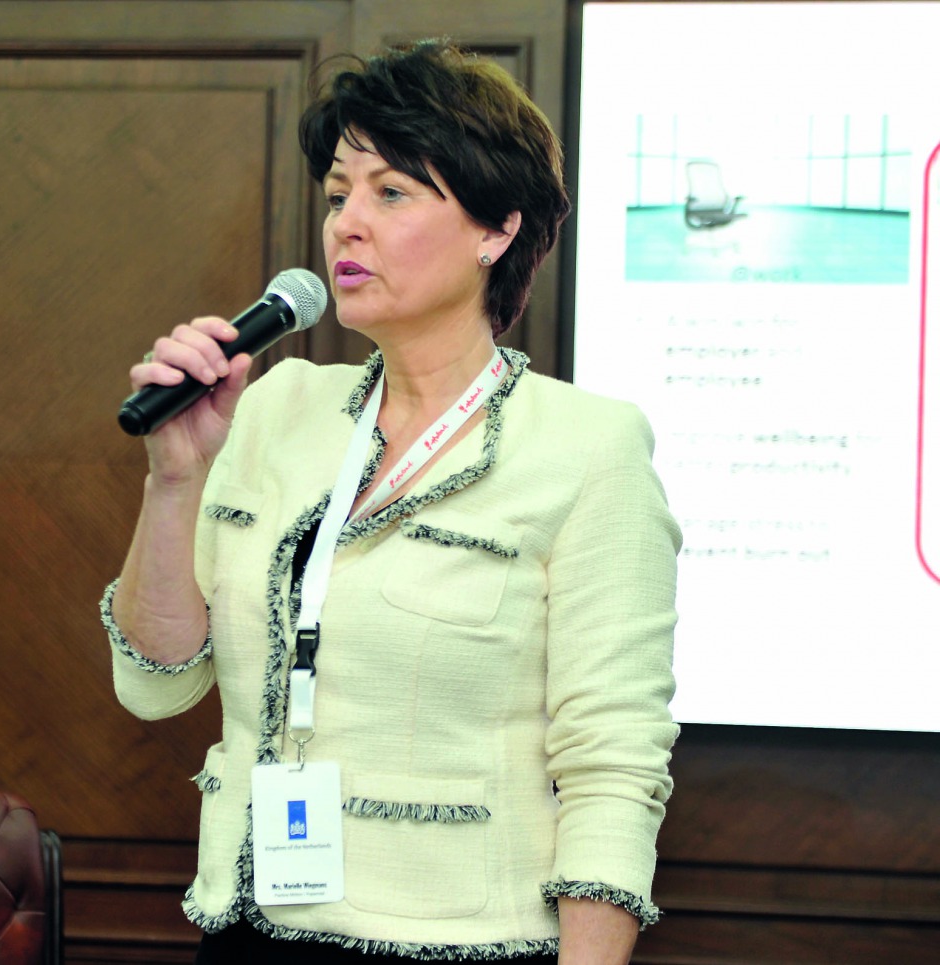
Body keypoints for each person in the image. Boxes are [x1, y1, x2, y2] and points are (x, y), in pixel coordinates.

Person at [101, 39, 680, 964]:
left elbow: (613, 763)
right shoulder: (278, 408)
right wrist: (175, 481)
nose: (346, 226)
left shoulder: (587, 447)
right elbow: (158, 681)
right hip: (252, 930)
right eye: (339, 195)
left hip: (466, 942)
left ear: (496, 230)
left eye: (391, 192)